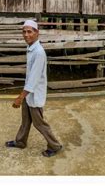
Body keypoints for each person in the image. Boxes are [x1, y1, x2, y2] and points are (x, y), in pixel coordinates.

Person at [5, 19, 62, 158]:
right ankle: (20, 142)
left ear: (37, 33)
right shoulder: (31, 48)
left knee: (39, 123)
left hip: (34, 94)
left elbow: (33, 80)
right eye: (24, 32)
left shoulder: (38, 52)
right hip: (28, 93)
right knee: (25, 120)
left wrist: (20, 97)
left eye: (29, 31)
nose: (26, 35)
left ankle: (54, 145)